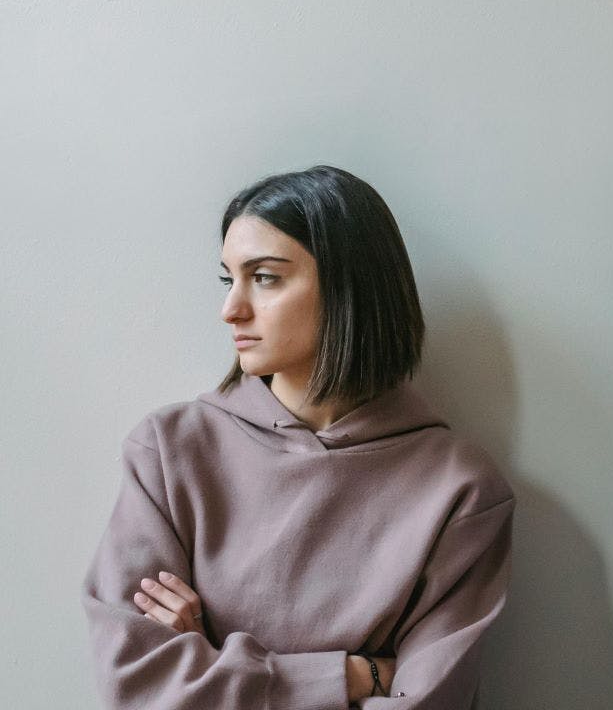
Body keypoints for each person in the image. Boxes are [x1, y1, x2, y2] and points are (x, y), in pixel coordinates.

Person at [83, 166, 514, 709]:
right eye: (228, 278)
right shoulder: (168, 452)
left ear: (349, 286)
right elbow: (136, 686)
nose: (230, 309)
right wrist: (355, 678)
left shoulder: (460, 491)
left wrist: (211, 661)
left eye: (264, 277)